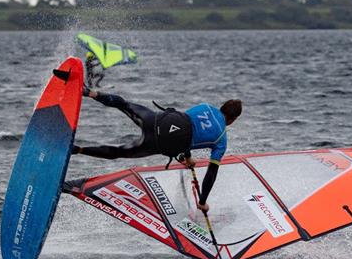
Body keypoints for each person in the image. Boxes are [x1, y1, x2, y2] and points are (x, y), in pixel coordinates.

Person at [74, 88, 242, 212]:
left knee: (124, 104)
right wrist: (202, 201)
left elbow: (185, 124)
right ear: (234, 119)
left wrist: (187, 157)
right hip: (157, 142)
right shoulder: (221, 139)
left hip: (155, 120)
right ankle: (77, 149)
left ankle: (90, 93)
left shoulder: (205, 107)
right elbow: (211, 173)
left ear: (222, 107)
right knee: (120, 152)